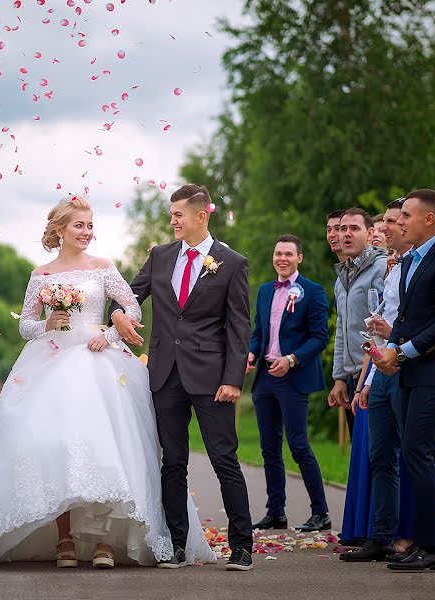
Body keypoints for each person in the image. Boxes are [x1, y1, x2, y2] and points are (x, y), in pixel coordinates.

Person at [0, 196, 215, 570]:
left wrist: (110, 334)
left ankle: (103, 542)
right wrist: (47, 324)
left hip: (100, 361)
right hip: (51, 362)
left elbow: (131, 306)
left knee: (103, 448)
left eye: (90, 225)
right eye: (79, 225)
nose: (87, 232)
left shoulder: (103, 267)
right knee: (56, 447)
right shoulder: (41, 275)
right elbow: (25, 325)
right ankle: (63, 538)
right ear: (60, 230)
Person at [111, 184, 254, 571]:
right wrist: (118, 315)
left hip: (212, 378)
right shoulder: (159, 256)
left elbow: (239, 326)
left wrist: (234, 379)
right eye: (171, 214)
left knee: (224, 459)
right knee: (172, 462)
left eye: (178, 214)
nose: (172, 221)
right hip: (164, 376)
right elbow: (127, 297)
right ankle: (175, 545)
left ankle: (242, 546)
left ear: (201, 216)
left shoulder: (232, 263)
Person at [373, 189, 435, 572]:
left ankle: (433, 549)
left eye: (406, 217)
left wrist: (404, 351)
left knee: (417, 452)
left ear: (429, 219)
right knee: (418, 454)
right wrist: (390, 349)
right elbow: (407, 318)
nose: (398, 223)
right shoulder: (410, 261)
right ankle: (426, 543)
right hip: (412, 372)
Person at [340, 199, 414, 563]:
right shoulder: (393, 269)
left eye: (391, 221)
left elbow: (418, 324)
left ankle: (415, 537)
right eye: (382, 222)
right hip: (379, 371)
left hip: (406, 368)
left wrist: (393, 338)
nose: (384, 228)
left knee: (410, 455)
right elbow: (382, 331)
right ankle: (381, 537)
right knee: (379, 456)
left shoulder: (415, 265)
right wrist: (365, 381)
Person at [246, 235, 331, 533]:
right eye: (278, 253)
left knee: (298, 445)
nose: (282, 258)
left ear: (299, 258)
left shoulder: (313, 292)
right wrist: (252, 352)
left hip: (292, 377)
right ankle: (276, 512)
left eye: (288, 254)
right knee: (269, 448)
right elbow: (259, 330)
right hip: (265, 378)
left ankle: (320, 512)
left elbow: (320, 337)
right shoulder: (265, 291)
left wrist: (292, 359)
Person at [329, 207, 387, 546]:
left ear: (368, 233)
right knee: (362, 455)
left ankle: (381, 532)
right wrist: (339, 378)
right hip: (352, 377)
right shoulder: (342, 276)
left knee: (379, 454)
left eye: (354, 228)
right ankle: (366, 528)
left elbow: (384, 327)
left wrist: (369, 377)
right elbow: (342, 329)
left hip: (378, 373)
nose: (346, 234)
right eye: (341, 228)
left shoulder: (381, 268)